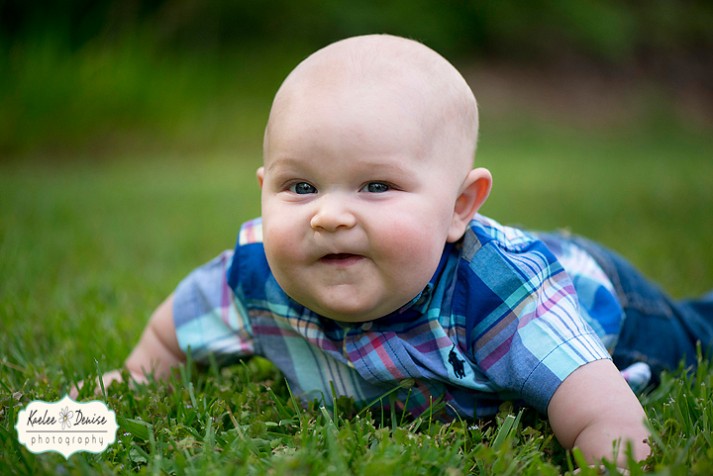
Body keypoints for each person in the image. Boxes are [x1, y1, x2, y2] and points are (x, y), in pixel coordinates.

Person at [75, 34, 713, 466]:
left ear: (460, 207)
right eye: (300, 187)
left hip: (606, 306)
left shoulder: (499, 296)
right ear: (264, 190)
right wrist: (134, 375)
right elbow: (174, 331)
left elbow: (607, 419)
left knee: (696, 334)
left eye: (376, 186)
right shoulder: (255, 274)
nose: (329, 215)